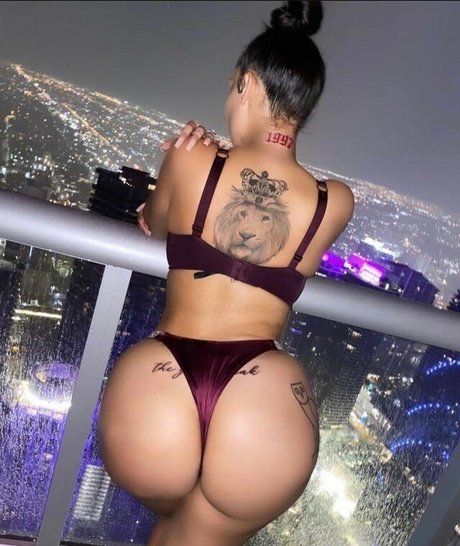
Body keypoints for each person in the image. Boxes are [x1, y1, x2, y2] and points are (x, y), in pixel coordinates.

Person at [98, 1, 354, 545]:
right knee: (197, 533)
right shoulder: (335, 201)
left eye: (232, 87)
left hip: (159, 383)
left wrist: (187, 154)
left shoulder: (193, 158)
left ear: (247, 84)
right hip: (264, 399)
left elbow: (154, 223)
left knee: (173, 524)